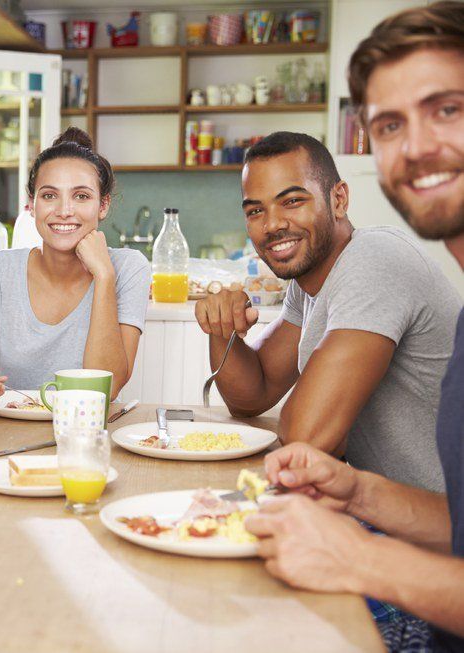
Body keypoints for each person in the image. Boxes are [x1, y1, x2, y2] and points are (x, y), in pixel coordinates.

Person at [245, 3, 464, 651]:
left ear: (339, 199)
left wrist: (360, 558)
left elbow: (303, 428)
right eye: (391, 124)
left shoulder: (376, 257)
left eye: (447, 108)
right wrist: (358, 490)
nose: (418, 146)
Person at [194, 131, 460, 492]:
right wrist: (221, 328)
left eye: (291, 202)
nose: (272, 225)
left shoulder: (375, 260)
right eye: (256, 210)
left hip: (440, 530)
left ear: (339, 199)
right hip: (387, 513)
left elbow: (307, 436)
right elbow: (252, 396)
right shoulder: (309, 284)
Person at [0, 127, 150, 406]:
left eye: (81, 196)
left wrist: (104, 276)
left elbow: (108, 388)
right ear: (31, 205)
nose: (64, 210)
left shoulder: (129, 268)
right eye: (49, 196)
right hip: (11, 434)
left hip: (90, 433)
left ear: (102, 205)